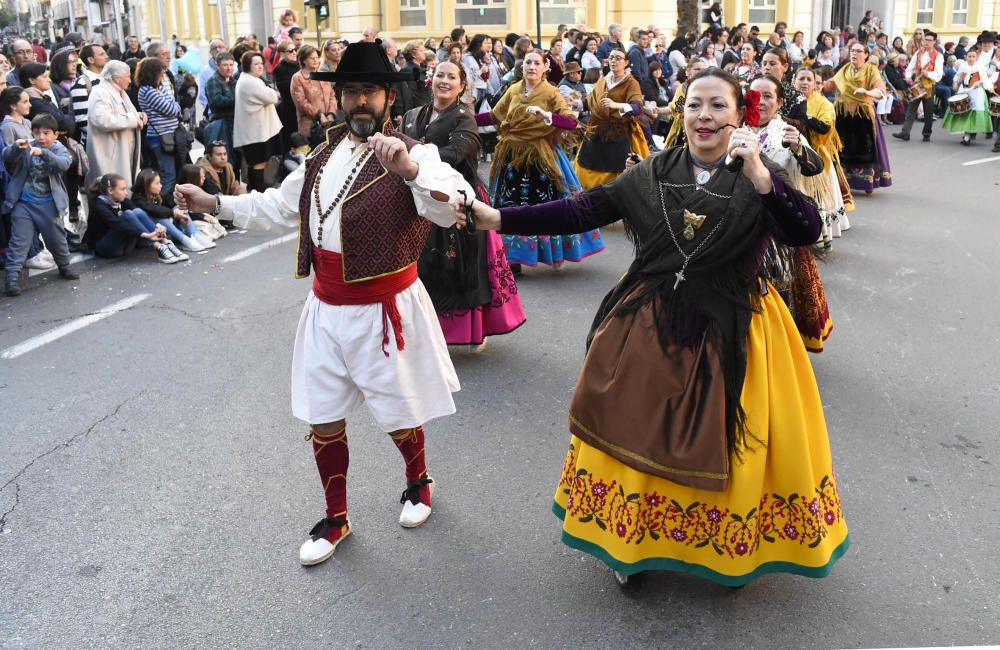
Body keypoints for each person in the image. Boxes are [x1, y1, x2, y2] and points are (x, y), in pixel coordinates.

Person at [455, 67, 849, 588]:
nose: (704, 116)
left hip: (737, 327)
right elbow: (584, 209)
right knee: (632, 430)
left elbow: (806, 228)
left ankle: (729, 546)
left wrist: (760, 174)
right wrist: (497, 219)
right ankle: (630, 544)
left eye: (718, 107)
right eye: (694, 105)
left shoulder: (760, 174)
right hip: (650, 321)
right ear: (682, 113)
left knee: (736, 445)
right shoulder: (655, 171)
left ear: (739, 116)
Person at [174, 41, 475, 567]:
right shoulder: (320, 154)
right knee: (322, 417)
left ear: (388, 98)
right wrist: (216, 203)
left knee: (398, 410)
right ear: (337, 98)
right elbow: (276, 206)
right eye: (352, 91)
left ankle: (417, 481)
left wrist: (407, 171)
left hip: (386, 309)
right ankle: (336, 517)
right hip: (325, 309)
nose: (361, 102)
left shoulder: (416, 153)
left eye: (371, 92)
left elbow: (453, 207)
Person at [401, 60, 525, 351]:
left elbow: (457, 153)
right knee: (420, 268)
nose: (444, 80)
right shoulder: (413, 114)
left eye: (451, 77)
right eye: (440, 75)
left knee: (461, 267)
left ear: (461, 86)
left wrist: (412, 155)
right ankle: (424, 332)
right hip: (418, 201)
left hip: (458, 200)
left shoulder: (463, 118)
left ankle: (473, 330)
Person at [476, 50, 603, 273]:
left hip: (540, 158)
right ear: (522, 66)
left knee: (544, 206)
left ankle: (555, 253)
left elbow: (571, 122)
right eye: (528, 63)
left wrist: (548, 116)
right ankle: (512, 258)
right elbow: (495, 116)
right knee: (508, 206)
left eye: (537, 63)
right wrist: (465, 118)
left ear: (545, 67)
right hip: (511, 156)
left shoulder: (551, 92)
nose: (532, 67)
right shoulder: (514, 89)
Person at [748, 74, 833, 352]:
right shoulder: (735, 128)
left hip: (778, 230)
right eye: (754, 96)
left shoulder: (786, 132)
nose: (760, 102)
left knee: (778, 292)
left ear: (780, 102)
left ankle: (780, 350)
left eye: (768, 96)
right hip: (742, 226)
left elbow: (815, 167)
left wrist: (798, 146)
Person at [2, 113, 79, 296]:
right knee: (19, 242)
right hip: (24, 204)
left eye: (46, 133)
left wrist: (43, 153)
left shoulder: (60, 149)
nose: (41, 137)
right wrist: (15, 148)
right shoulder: (27, 145)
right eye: (37, 133)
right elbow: (6, 157)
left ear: (55, 134)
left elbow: (63, 164)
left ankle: (65, 266)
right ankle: (11, 278)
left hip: (49, 204)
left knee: (57, 240)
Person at [574, 49, 649, 189]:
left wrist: (617, 105)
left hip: (618, 131)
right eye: (611, 57)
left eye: (618, 58)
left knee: (617, 167)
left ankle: (613, 193)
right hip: (598, 128)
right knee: (588, 162)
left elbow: (637, 107)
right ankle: (590, 194)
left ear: (626, 63)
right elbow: (591, 100)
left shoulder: (631, 83)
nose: (613, 61)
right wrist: (575, 103)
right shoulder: (603, 80)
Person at [825, 43, 892, 194]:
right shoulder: (845, 69)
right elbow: (831, 85)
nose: (854, 53)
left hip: (862, 115)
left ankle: (865, 182)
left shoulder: (871, 69)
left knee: (862, 149)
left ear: (866, 55)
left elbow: (880, 90)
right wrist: (817, 85)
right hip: (842, 114)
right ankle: (841, 182)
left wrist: (867, 91)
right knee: (840, 147)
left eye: (858, 51)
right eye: (852, 51)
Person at [796, 67, 853, 241]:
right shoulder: (788, 100)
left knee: (817, 200)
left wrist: (805, 117)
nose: (805, 82)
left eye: (809, 79)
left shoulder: (823, 103)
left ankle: (819, 233)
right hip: (792, 155)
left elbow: (826, 127)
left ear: (815, 84)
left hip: (816, 157)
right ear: (794, 81)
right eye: (801, 79)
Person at [84, 173, 185, 262]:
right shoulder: (99, 204)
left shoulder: (120, 200)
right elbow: (116, 223)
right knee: (127, 215)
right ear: (110, 190)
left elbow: (138, 212)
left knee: (136, 212)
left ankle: (165, 242)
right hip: (106, 248)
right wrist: (146, 235)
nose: (126, 193)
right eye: (122, 189)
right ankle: (158, 246)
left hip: (125, 247)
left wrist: (157, 226)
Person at [86, 60, 146, 187]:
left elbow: (128, 114)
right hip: (111, 154)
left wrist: (140, 116)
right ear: (116, 78)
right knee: (114, 190)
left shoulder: (120, 91)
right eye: (128, 76)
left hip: (124, 151)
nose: (130, 80)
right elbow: (102, 120)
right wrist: (134, 119)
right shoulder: (100, 92)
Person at [130, 167, 213, 252]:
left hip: (165, 227)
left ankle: (194, 234)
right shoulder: (138, 198)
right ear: (146, 185)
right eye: (157, 183)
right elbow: (154, 210)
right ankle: (185, 240)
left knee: (178, 207)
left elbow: (172, 203)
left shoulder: (156, 195)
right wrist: (173, 213)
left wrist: (180, 212)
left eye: (160, 182)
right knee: (161, 217)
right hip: (151, 232)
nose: (161, 185)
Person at [233, 51, 281, 192]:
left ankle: (255, 189)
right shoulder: (250, 82)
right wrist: (272, 91)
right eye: (256, 64)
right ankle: (258, 191)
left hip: (257, 131)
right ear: (248, 66)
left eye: (261, 63)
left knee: (259, 163)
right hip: (255, 133)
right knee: (258, 163)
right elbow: (273, 97)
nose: (260, 67)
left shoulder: (250, 79)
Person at [137, 58, 182, 197]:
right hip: (160, 138)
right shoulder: (147, 91)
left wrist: (175, 106)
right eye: (160, 71)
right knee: (168, 174)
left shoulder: (160, 88)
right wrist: (175, 107)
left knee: (175, 172)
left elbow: (173, 104)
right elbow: (172, 109)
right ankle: (163, 202)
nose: (163, 73)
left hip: (171, 135)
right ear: (152, 73)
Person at [894, 31, 942, 142]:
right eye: (926, 40)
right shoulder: (918, 52)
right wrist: (908, 76)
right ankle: (905, 132)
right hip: (918, 84)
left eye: (930, 40)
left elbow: (939, 74)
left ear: (934, 42)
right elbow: (910, 67)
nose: (927, 42)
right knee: (911, 108)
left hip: (929, 86)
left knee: (928, 111)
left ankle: (926, 134)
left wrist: (928, 74)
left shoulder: (938, 56)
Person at [291, 45, 338, 141]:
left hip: (329, 123)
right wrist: (319, 115)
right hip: (310, 126)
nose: (316, 60)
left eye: (317, 58)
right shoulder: (297, 77)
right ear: (304, 60)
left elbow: (332, 95)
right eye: (312, 58)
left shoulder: (321, 74)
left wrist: (331, 113)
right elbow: (301, 103)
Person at [203, 52, 238, 171]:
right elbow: (216, 101)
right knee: (226, 159)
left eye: (231, 65)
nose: (229, 68)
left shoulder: (233, 80)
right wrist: (237, 100)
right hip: (222, 123)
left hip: (234, 123)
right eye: (225, 65)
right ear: (218, 66)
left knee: (236, 158)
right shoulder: (213, 80)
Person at [70, 43, 108, 147]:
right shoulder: (82, 83)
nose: (106, 56)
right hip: (96, 142)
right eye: (101, 54)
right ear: (91, 60)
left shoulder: (107, 79)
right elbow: (82, 120)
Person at [272, 40, 301, 151]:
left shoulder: (299, 64)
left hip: (299, 106)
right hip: (289, 107)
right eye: (290, 50)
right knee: (290, 136)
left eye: (295, 50)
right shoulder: (279, 69)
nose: (294, 52)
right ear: (282, 53)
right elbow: (286, 88)